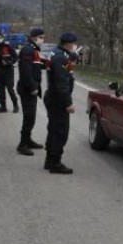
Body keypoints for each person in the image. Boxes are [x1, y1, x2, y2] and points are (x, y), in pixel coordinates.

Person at [43, 32, 79, 174]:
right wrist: (68, 103)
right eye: (74, 43)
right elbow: (61, 83)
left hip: (53, 97)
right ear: (68, 43)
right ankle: (55, 163)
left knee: (53, 130)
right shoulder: (60, 58)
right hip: (58, 100)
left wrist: (73, 57)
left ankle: (49, 161)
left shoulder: (57, 53)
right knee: (60, 132)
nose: (75, 46)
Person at [16, 28, 46, 156]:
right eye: (41, 37)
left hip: (30, 88)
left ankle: (28, 140)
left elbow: (36, 66)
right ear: (34, 37)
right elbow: (26, 71)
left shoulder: (34, 50)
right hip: (27, 89)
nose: (43, 39)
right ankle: (22, 144)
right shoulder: (28, 50)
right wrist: (33, 88)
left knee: (31, 117)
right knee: (29, 117)